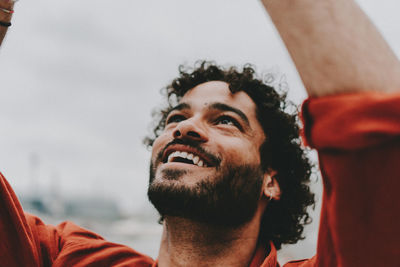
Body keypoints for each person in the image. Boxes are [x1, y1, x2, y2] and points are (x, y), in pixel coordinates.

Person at [1, 0, 399, 267]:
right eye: (176, 116)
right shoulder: (63, 256)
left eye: (225, 120)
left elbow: (379, 143)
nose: (185, 127)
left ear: (271, 179)